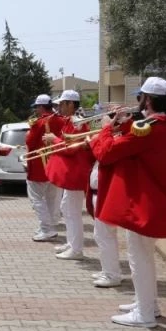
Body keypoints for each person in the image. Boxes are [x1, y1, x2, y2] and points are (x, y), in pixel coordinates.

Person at [89, 77, 166, 328]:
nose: (138, 102)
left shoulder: (151, 127)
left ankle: (145, 314)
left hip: (146, 203)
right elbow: (142, 143)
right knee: (144, 256)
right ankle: (147, 304)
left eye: (140, 97)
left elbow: (106, 154)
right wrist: (126, 123)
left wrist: (106, 128)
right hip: (156, 201)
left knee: (139, 257)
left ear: (148, 100)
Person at [43, 90, 94, 259]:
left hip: (75, 173)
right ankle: (72, 243)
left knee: (72, 211)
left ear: (71, 104)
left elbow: (70, 148)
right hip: (72, 173)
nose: (59, 108)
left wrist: (53, 139)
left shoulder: (78, 123)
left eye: (62, 104)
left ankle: (76, 249)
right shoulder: (70, 121)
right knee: (67, 208)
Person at [25, 94, 65, 241]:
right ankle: (50, 226)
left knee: (36, 198)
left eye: (37, 107)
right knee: (52, 198)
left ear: (42, 107)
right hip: (56, 165)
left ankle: (47, 229)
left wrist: (29, 132)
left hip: (39, 167)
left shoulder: (39, 122)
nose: (36, 110)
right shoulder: (62, 120)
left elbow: (30, 142)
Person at [88, 161, 122, 288]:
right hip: (99, 193)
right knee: (101, 235)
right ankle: (107, 270)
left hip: (105, 194)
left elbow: (104, 155)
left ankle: (112, 275)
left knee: (105, 235)